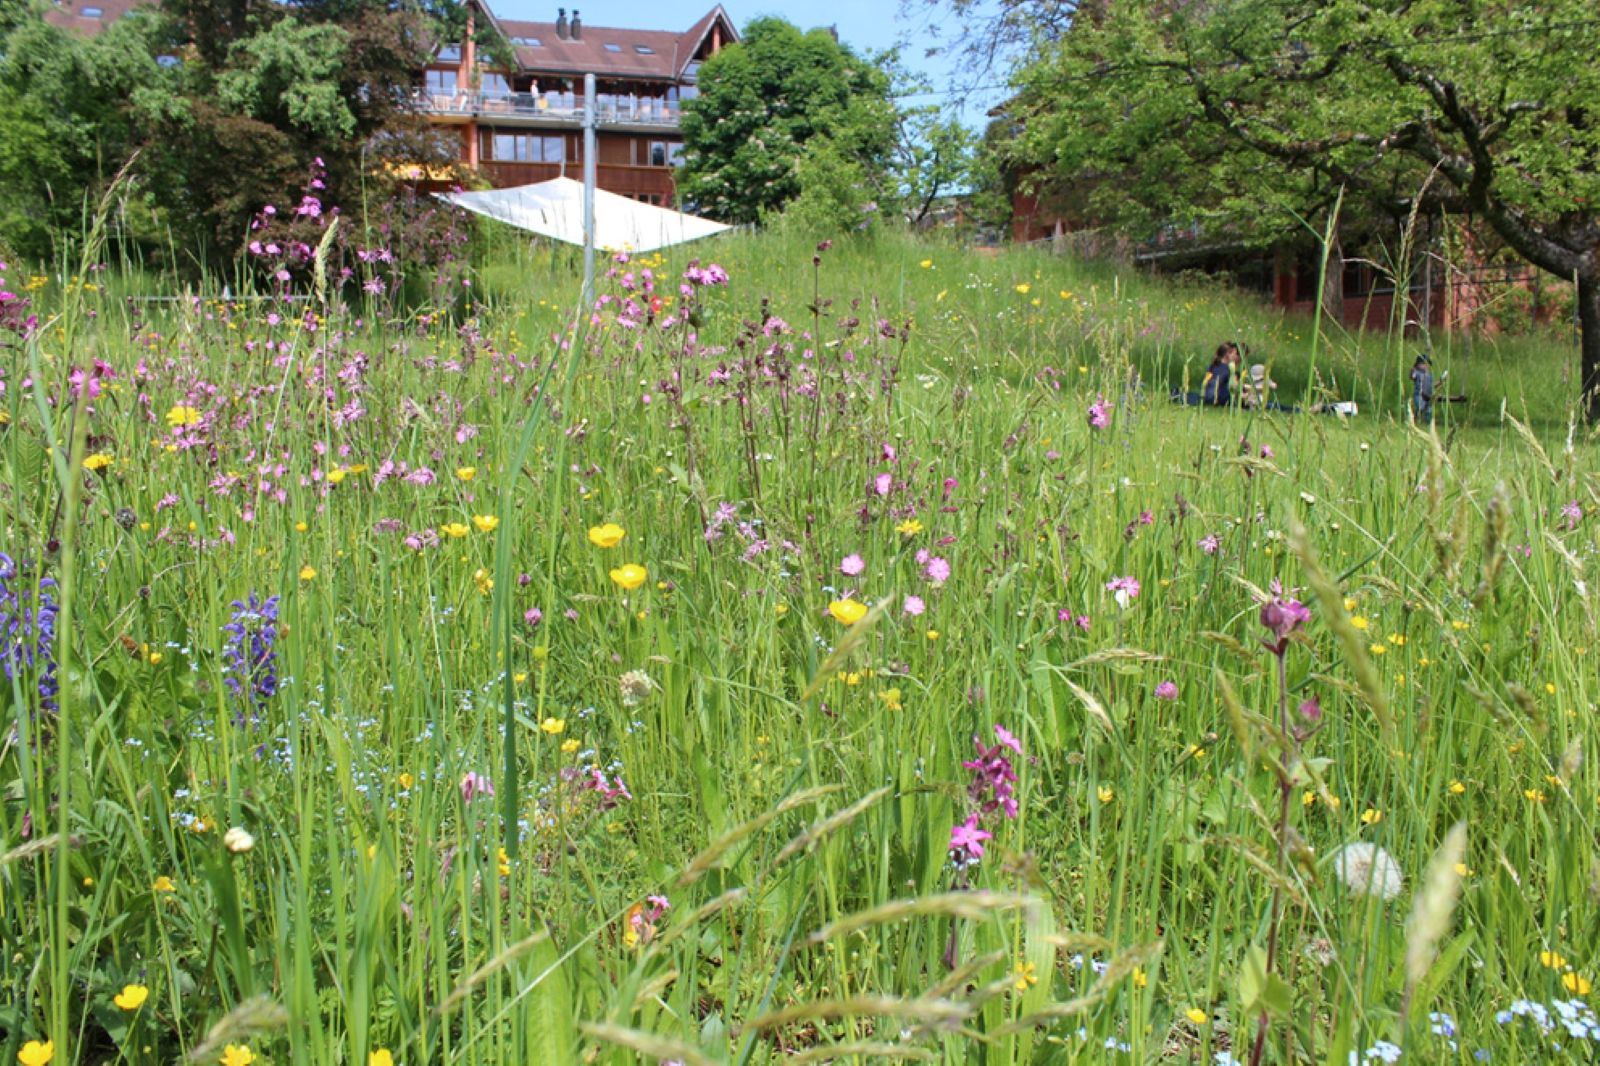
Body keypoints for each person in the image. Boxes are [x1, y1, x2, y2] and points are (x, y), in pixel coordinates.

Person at [1201, 342, 1240, 406]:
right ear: (1227, 354)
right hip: (1220, 399)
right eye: (1236, 353)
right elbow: (1236, 388)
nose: (1238, 356)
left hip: (1206, 398)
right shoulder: (1231, 371)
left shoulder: (1211, 367)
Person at [1410, 353, 1434, 423]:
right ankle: (1416, 419)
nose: (1425, 366)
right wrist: (1412, 372)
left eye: (1427, 364)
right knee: (1420, 407)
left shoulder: (1429, 375)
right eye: (1423, 364)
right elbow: (1412, 377)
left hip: (1428, 396)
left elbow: (1432, 385)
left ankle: (1426, 422)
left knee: (1429, 410)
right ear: (1418, 365)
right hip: (1419, 395)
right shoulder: (1417, 373)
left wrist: (1441, 381)